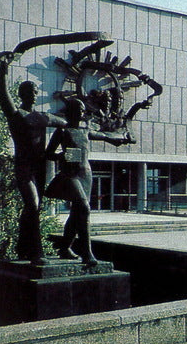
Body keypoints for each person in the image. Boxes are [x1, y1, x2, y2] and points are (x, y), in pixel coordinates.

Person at [44, 98, 134, 267]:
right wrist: (60, 156)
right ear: (71, 111)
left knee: (76, 213)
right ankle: (87, 253)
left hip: (86, 173)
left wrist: (120, 138)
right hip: (70, 175)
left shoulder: (85, 131)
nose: (83, 112)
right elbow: (48, 154)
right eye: (80, 109)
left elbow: (104, 135)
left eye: (83, 110)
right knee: (84, 208)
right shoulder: (62, 131)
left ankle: (64, 248)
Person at [0, 54, 66, 265]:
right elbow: (2, 92)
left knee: (34, 208)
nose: (34, 95)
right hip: (24, 167)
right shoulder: (16, 115)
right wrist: (3, 68)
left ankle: (22, 248)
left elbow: (64, 123)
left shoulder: (43, 116)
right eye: (30, 92)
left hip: (40, 166)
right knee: (33, 205)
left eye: (35, 92)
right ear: (22, 94)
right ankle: (36, 252)